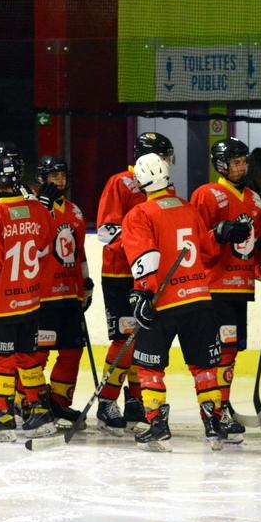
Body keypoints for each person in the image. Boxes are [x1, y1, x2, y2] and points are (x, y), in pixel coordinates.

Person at [122, 153, 225, 451]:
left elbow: (145, 259)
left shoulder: (140, 214)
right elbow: (208, 251)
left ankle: (157, 425)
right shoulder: (188, 208)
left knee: (150, 368)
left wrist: (142, 293)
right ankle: (213, 425)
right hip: (199, 300)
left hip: (162, 303)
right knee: (204, 367)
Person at [0, 155, 54, 443]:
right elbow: (43, 250)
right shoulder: (37, 210)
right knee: (28, 356)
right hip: (30, 300)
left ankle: (3, 415)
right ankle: (40, 412)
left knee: (0, 359)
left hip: (0, 304)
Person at [190, 137, 261, 444]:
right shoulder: (206, 194)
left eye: (243, 161)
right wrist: (218, 234)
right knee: (219, 351)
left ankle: (222, 403)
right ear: (221, 165)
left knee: (231, 351)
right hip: (215, 287)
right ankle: (216, 410)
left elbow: (256, 241)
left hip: (241, 286)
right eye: (235, 162)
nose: (241, 167)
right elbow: (195, 243)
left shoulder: (254, 198)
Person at [94, 132, 174, 432]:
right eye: (163, 156)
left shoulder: (165, 187)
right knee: (124, 340)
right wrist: (141, 243)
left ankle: (135, 400)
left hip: (148, 278)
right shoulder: (120, 182)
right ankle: (106, 401)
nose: (167, 162)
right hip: (120, 274)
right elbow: (105, 231)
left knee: (144, 340)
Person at [32, 155, 94, 429]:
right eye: (53, 176)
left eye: (62, 175)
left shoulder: (75, 211)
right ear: (41, 179)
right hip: (43, 296)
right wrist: (41, 208)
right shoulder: (34, 207)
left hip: (70, 294)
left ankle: (57, 403)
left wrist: (86, 282)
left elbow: (80, 252)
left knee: (72, 351)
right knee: (38, 354)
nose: (59, 181)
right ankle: (31, 402)